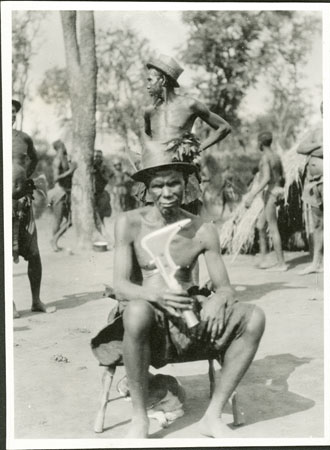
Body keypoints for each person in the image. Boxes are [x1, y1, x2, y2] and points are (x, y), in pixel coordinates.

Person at [91, 143, 265, 438]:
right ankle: (139, 420)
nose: (167, 192)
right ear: (147, 189)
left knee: (254, 317)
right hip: (146, 317)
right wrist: (154, 295)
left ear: (187, 186)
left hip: (190, 320)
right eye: (158, 185)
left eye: (174, 183)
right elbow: (121, 286)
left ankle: (212, 417)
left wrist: (217, 300)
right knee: (135, 311)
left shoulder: (202, 229)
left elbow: (225, 288)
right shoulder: (129, 224)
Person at [143, 54, 231, 214]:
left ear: (162, 80)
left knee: (187, 226)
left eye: (150, 80)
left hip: (182, 175)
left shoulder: (190, 104)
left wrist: (198, 149)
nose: (147, 85)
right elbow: (148, 136)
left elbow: (224, 127)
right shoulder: (149, 112)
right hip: (156, 175)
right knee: (154, 224)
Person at [12, 99, 56, 318]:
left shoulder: (23, 138)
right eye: (7, 111)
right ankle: (8, 303)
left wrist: (25, 177)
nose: (10, 115)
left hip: (22, 202)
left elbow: (34, 158)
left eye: (13, 112)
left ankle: (36, 300)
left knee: (34, 253)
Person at [245, 131, 287, 271]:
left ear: (261, 143)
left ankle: (282, 264)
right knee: (260, 225)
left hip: (271, 193)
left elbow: (266, 178)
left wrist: (251, 195)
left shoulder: (265, 158)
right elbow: (283, 178)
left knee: (273, 228)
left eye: (257, 142)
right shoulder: (276, 156)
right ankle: (265, 260)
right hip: (276, 192)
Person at [297, 103, 323, 275]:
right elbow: (301, 148)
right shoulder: (317, 129)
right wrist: (318, 145)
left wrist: (316, 148)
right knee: (319, 224)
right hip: (314, 183)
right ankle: (316, 263)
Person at [48, 140, 76, 252]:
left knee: (71, 220)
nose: (65, 147)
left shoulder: (65, 158)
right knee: (58, 220)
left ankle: (54, 240)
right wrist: (70, 171)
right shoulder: (57, 160)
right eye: (63, 146)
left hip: (67, 192)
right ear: (59, 148)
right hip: (59, 192)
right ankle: (54, 243)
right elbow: (56, 178)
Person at [93, 150, 112, 230]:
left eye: (99, 157)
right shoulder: (91, 166)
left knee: (101, 214)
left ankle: (101, 230)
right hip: (92, 193)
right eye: (96, 156)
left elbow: (108, 179)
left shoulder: (104, 167)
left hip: (101, 193)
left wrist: (100, 172)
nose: (97, 158)